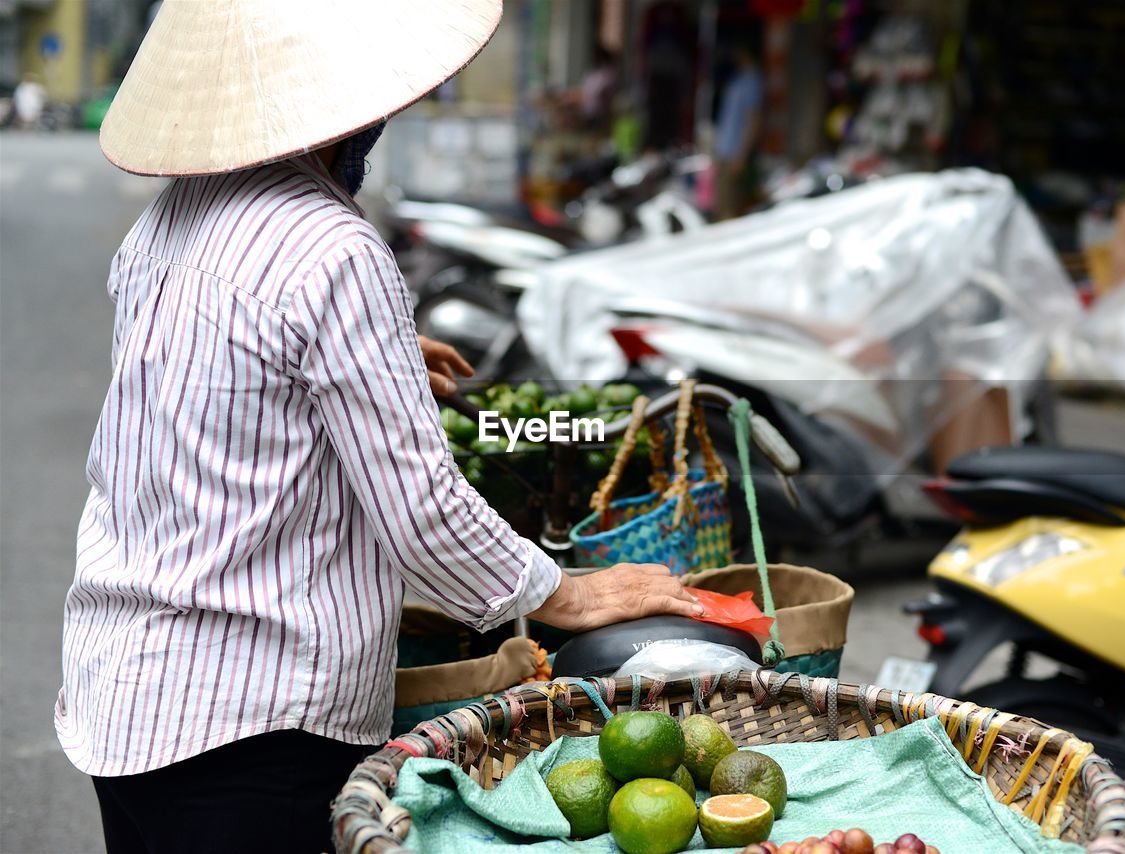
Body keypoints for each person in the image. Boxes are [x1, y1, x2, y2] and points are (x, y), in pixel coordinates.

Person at [56, 2, 703, 852]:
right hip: (252, 723)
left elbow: (222, 393)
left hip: (126, 696)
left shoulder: (168, 221)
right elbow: (423, 513)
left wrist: (379, 362)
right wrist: (567, 593)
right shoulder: (333, 251)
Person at [713, 41, 765, 220]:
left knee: (730, 208)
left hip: (735, 152)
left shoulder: (752, 80)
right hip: (725, 150)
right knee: (721, 205)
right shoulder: (738, 78)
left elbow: (753, 119)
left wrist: (741, 155)